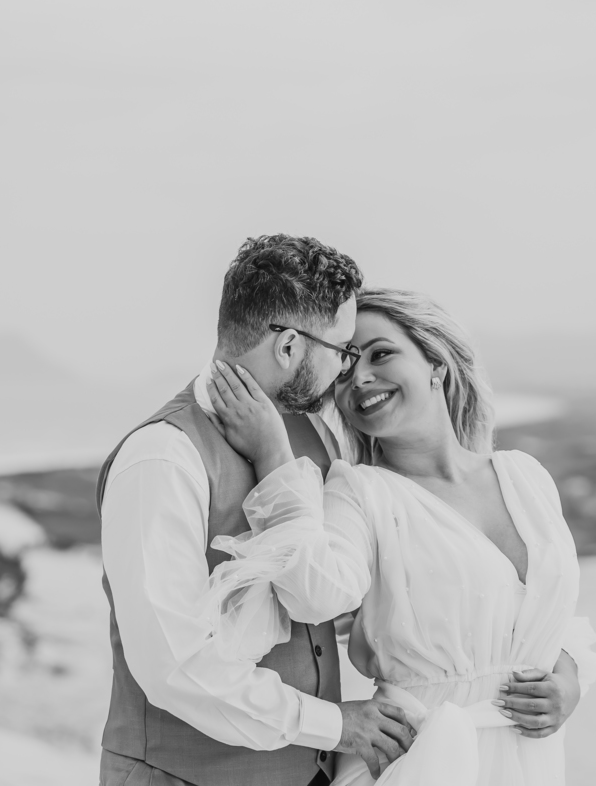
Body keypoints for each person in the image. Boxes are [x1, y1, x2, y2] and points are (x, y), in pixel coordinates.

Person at [202, 287, 596, 786]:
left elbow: (548, 613)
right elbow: (314, 596)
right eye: (345, 370)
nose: (362, 378)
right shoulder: (360, 493)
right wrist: (273, 455)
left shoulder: (526, 476)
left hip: (529, 762)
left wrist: (568, 681)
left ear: (435, 362)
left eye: (381, 354)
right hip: (418, 759)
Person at [96, 236, 416, 786]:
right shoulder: (161, 459)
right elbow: (173, 664)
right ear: (290, 346)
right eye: (340, 351)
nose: (346, 369)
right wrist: (332, 725)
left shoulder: (314, 437)